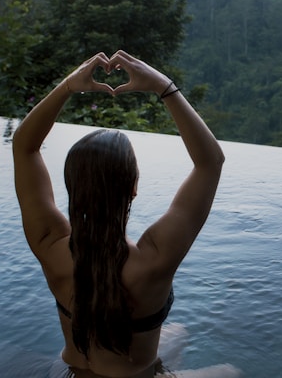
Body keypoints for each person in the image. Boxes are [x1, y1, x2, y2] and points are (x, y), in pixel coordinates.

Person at [13, 51, 230, 377]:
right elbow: (210, 162)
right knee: (229, 372)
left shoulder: (50, 243)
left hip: (70, 370)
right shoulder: (155, 258)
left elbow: (24, 146)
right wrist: (164, 87)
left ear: (73, 189)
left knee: (179, 333)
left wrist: (69, 86)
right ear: (133, 189)